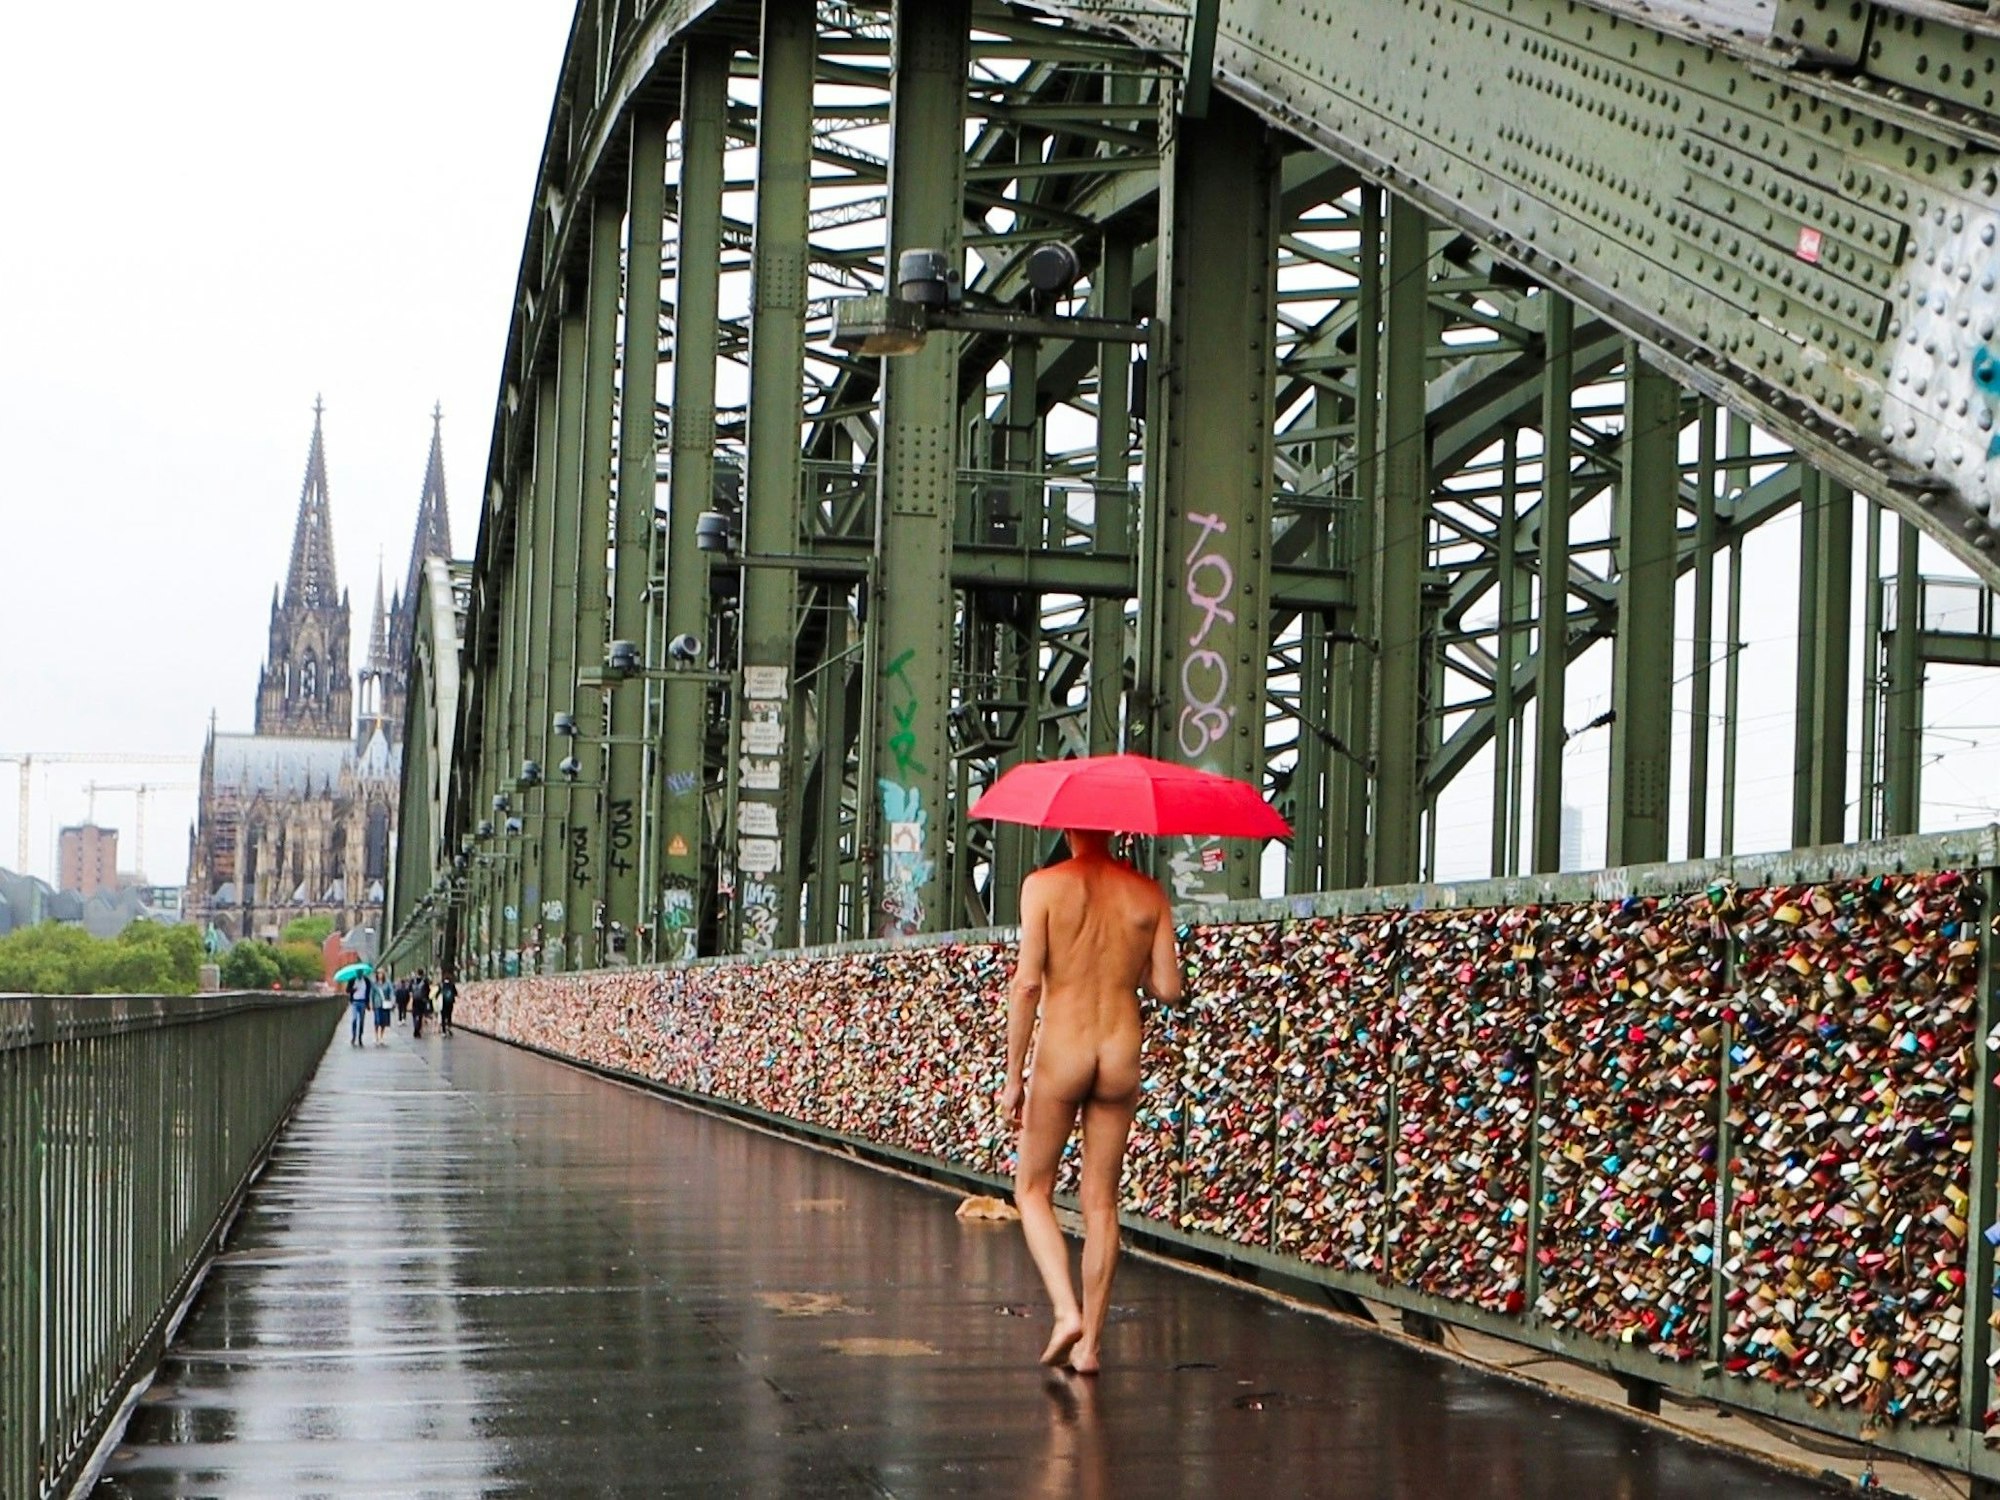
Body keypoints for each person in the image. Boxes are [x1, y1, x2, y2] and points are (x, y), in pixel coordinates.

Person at [1001, 828, 1182, 1375]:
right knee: (1101, 1201)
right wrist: (1132, 962)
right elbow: (1169, 989)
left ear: (1068, 828)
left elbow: (1028, 985)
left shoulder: (1042, 887)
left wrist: (1013, 1076)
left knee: (1032, 1189)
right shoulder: (1149, 894)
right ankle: (1091, 1349)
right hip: (1119, 1051)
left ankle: (1064, 1313)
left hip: (1064, 1050)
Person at [347, 971, 371, 1047]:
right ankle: (354, 1036)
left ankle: (360, 1037)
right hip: (354, 1002)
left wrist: (368, 1004)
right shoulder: (352, 980)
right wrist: (353, 989)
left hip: (363, 1002)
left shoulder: (366, 981)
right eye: (358, 973)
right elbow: (347, 990)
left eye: (360, 972)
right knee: (354, 1019)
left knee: (361, 1021)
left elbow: (368, 992)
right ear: (356, 973)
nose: (359, 974)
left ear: (362, 973)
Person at [411, 969, 432, 1038]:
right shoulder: (425, 981)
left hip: (415, 1000)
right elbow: (428, 990)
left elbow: (410, 990)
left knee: (414, 1014)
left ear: (417, 973)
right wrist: (426, 998)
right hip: (422, 1000)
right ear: (423, 974)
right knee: (420, 1015)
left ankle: (415, 1027)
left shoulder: (413, 980)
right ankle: (418, 1030)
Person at [373, 972, 393, 1043]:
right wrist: (371, 1003)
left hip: (385, 1004)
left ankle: (381, 1036)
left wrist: (392, 1000)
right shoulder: (375, 984)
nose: (380, 975)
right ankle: (376, 1035)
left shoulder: (387, 983)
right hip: (377, 1004)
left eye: (381, 974)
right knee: (377, 1020)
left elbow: (391, 992)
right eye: (378, 974)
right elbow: (372, 994)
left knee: (384, 1021)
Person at [438, 971, 458, 1036]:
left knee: (443, 1016)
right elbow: (455, 993)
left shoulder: (441, 985)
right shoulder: (452, 985)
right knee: (449, 1015)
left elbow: (438, 994)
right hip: (450, 1003)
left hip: (442, 1003)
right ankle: (449, 1027)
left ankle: (443, 1031)